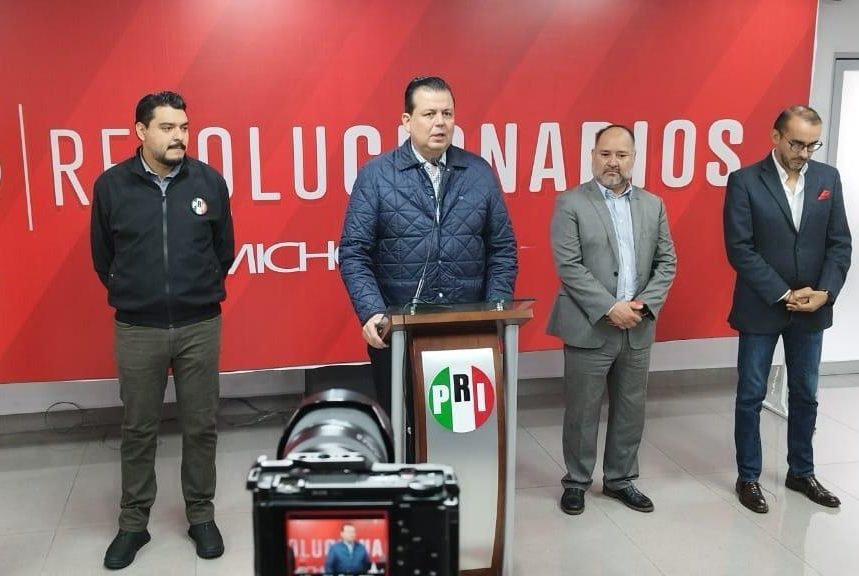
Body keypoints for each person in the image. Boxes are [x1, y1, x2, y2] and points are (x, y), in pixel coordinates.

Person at [90, 91, 235, 569]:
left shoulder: (209, 182)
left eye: (184, 127)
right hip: (138, 327)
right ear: (141, 131)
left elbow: (224, 250)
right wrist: (138, 292)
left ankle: (201, 515)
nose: (179, 137)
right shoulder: (112, 186)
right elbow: (103, 259)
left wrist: (195, 290)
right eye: (168, 128)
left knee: (201, 425)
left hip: (200, 325)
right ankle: (134, 523)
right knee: (138, 428)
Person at [339, 76, 517, 416]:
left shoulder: (478, 172)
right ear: (407, 121)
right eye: (429, 114)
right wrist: (372, 311)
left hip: (466, 330)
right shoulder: (376, 175)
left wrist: (496, 309)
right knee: (404, 425)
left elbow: (502, 248)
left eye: (447, 114)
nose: (440, 123)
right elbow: (353, 252)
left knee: (462, 425)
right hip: (398, 331)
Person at [724, 105, 851, 513]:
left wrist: (826, 291)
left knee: (806, 394)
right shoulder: (744, 181)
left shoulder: (828, 178)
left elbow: (840, 243)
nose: (804, 153)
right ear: (775, 137)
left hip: (812, 309)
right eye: (797, 144)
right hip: (762, 306)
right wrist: (783, 293)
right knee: (751, 394)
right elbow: (740, 249)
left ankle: (801, 472)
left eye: (812, 145)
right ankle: (748, 477)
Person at [547, 125, 676, 515]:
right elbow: (569, 267)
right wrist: (610, 307)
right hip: (590, 325)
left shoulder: (653, 205)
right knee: (582, 410)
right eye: (605, 154)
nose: (613, 163)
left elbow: (667, 262)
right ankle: (576, 482)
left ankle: (620, 480)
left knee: (631, 408)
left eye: (621, 155)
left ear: (634, 159)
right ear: (592, 156)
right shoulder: (570, 203)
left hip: (638, 325)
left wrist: (642, 306)